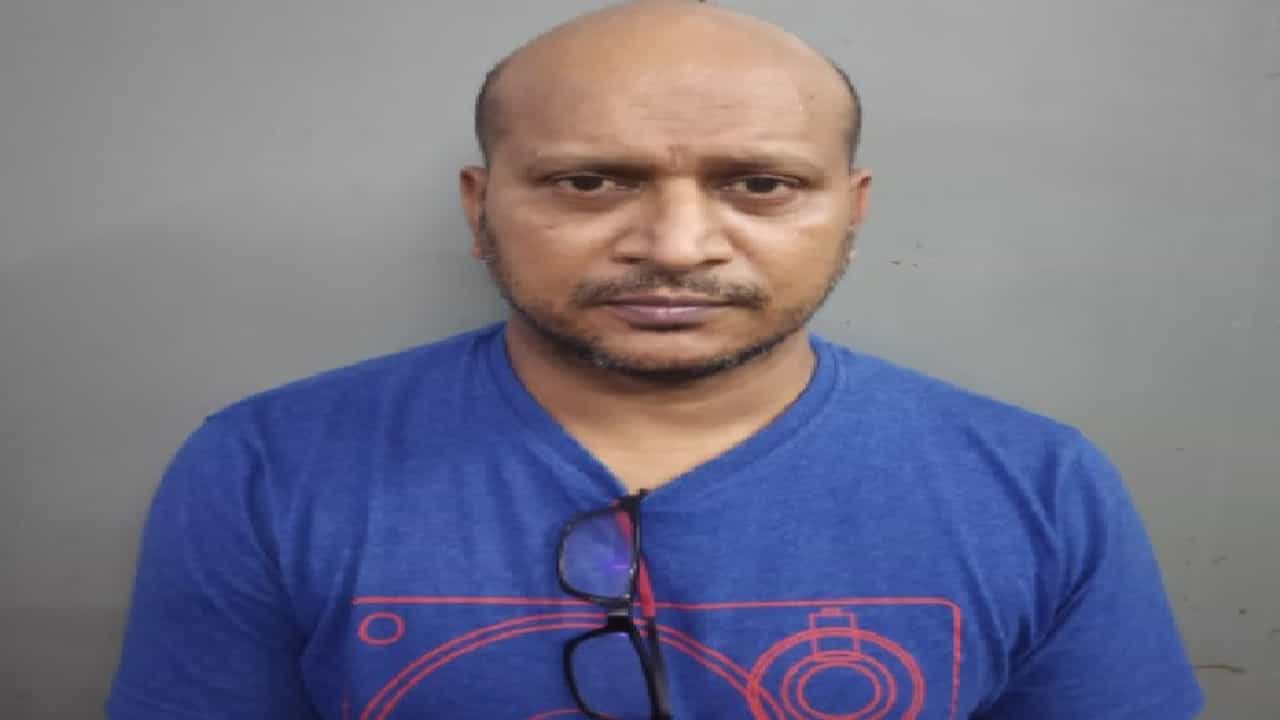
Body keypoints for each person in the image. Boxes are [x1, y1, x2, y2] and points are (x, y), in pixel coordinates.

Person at [108, 1, 1203, 718]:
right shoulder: (269, 466)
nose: (676, 246)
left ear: (852, 209)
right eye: (589, 182)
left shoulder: (1036, 484)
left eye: (759, 185)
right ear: (480, 207)